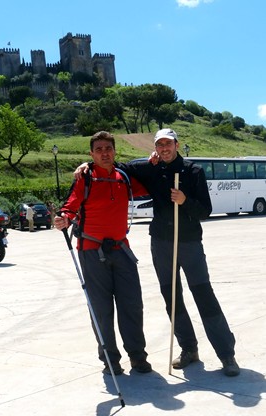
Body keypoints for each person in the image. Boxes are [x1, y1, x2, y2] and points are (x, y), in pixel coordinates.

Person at [75, 128, 240, 377]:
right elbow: (117, 165)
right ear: (155, 147)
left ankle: (226, 354)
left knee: (203, 295)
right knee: (172, 299)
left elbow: (205, 210)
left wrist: (185, 201)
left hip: (190, 242)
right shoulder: (152, 169)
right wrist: (86, 164)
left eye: (168, 144)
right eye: (160, 144)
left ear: (176, 144)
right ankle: (189, 349)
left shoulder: (194, 171)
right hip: (161, 243)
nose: (164, 148)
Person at [55, 130, 152, 376]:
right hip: (90, 251)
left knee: (132, 305)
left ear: (114, 151)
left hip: (122, 250)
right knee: (101, 309)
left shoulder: (124, 178)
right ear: (91, 154)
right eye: (98, 150)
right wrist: (64, 218)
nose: (104, 153)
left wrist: (156, 160)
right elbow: (71, 204)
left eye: (107, 149)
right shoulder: (85, 179)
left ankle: (138, 357)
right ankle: (110, 360)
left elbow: (151, 181)